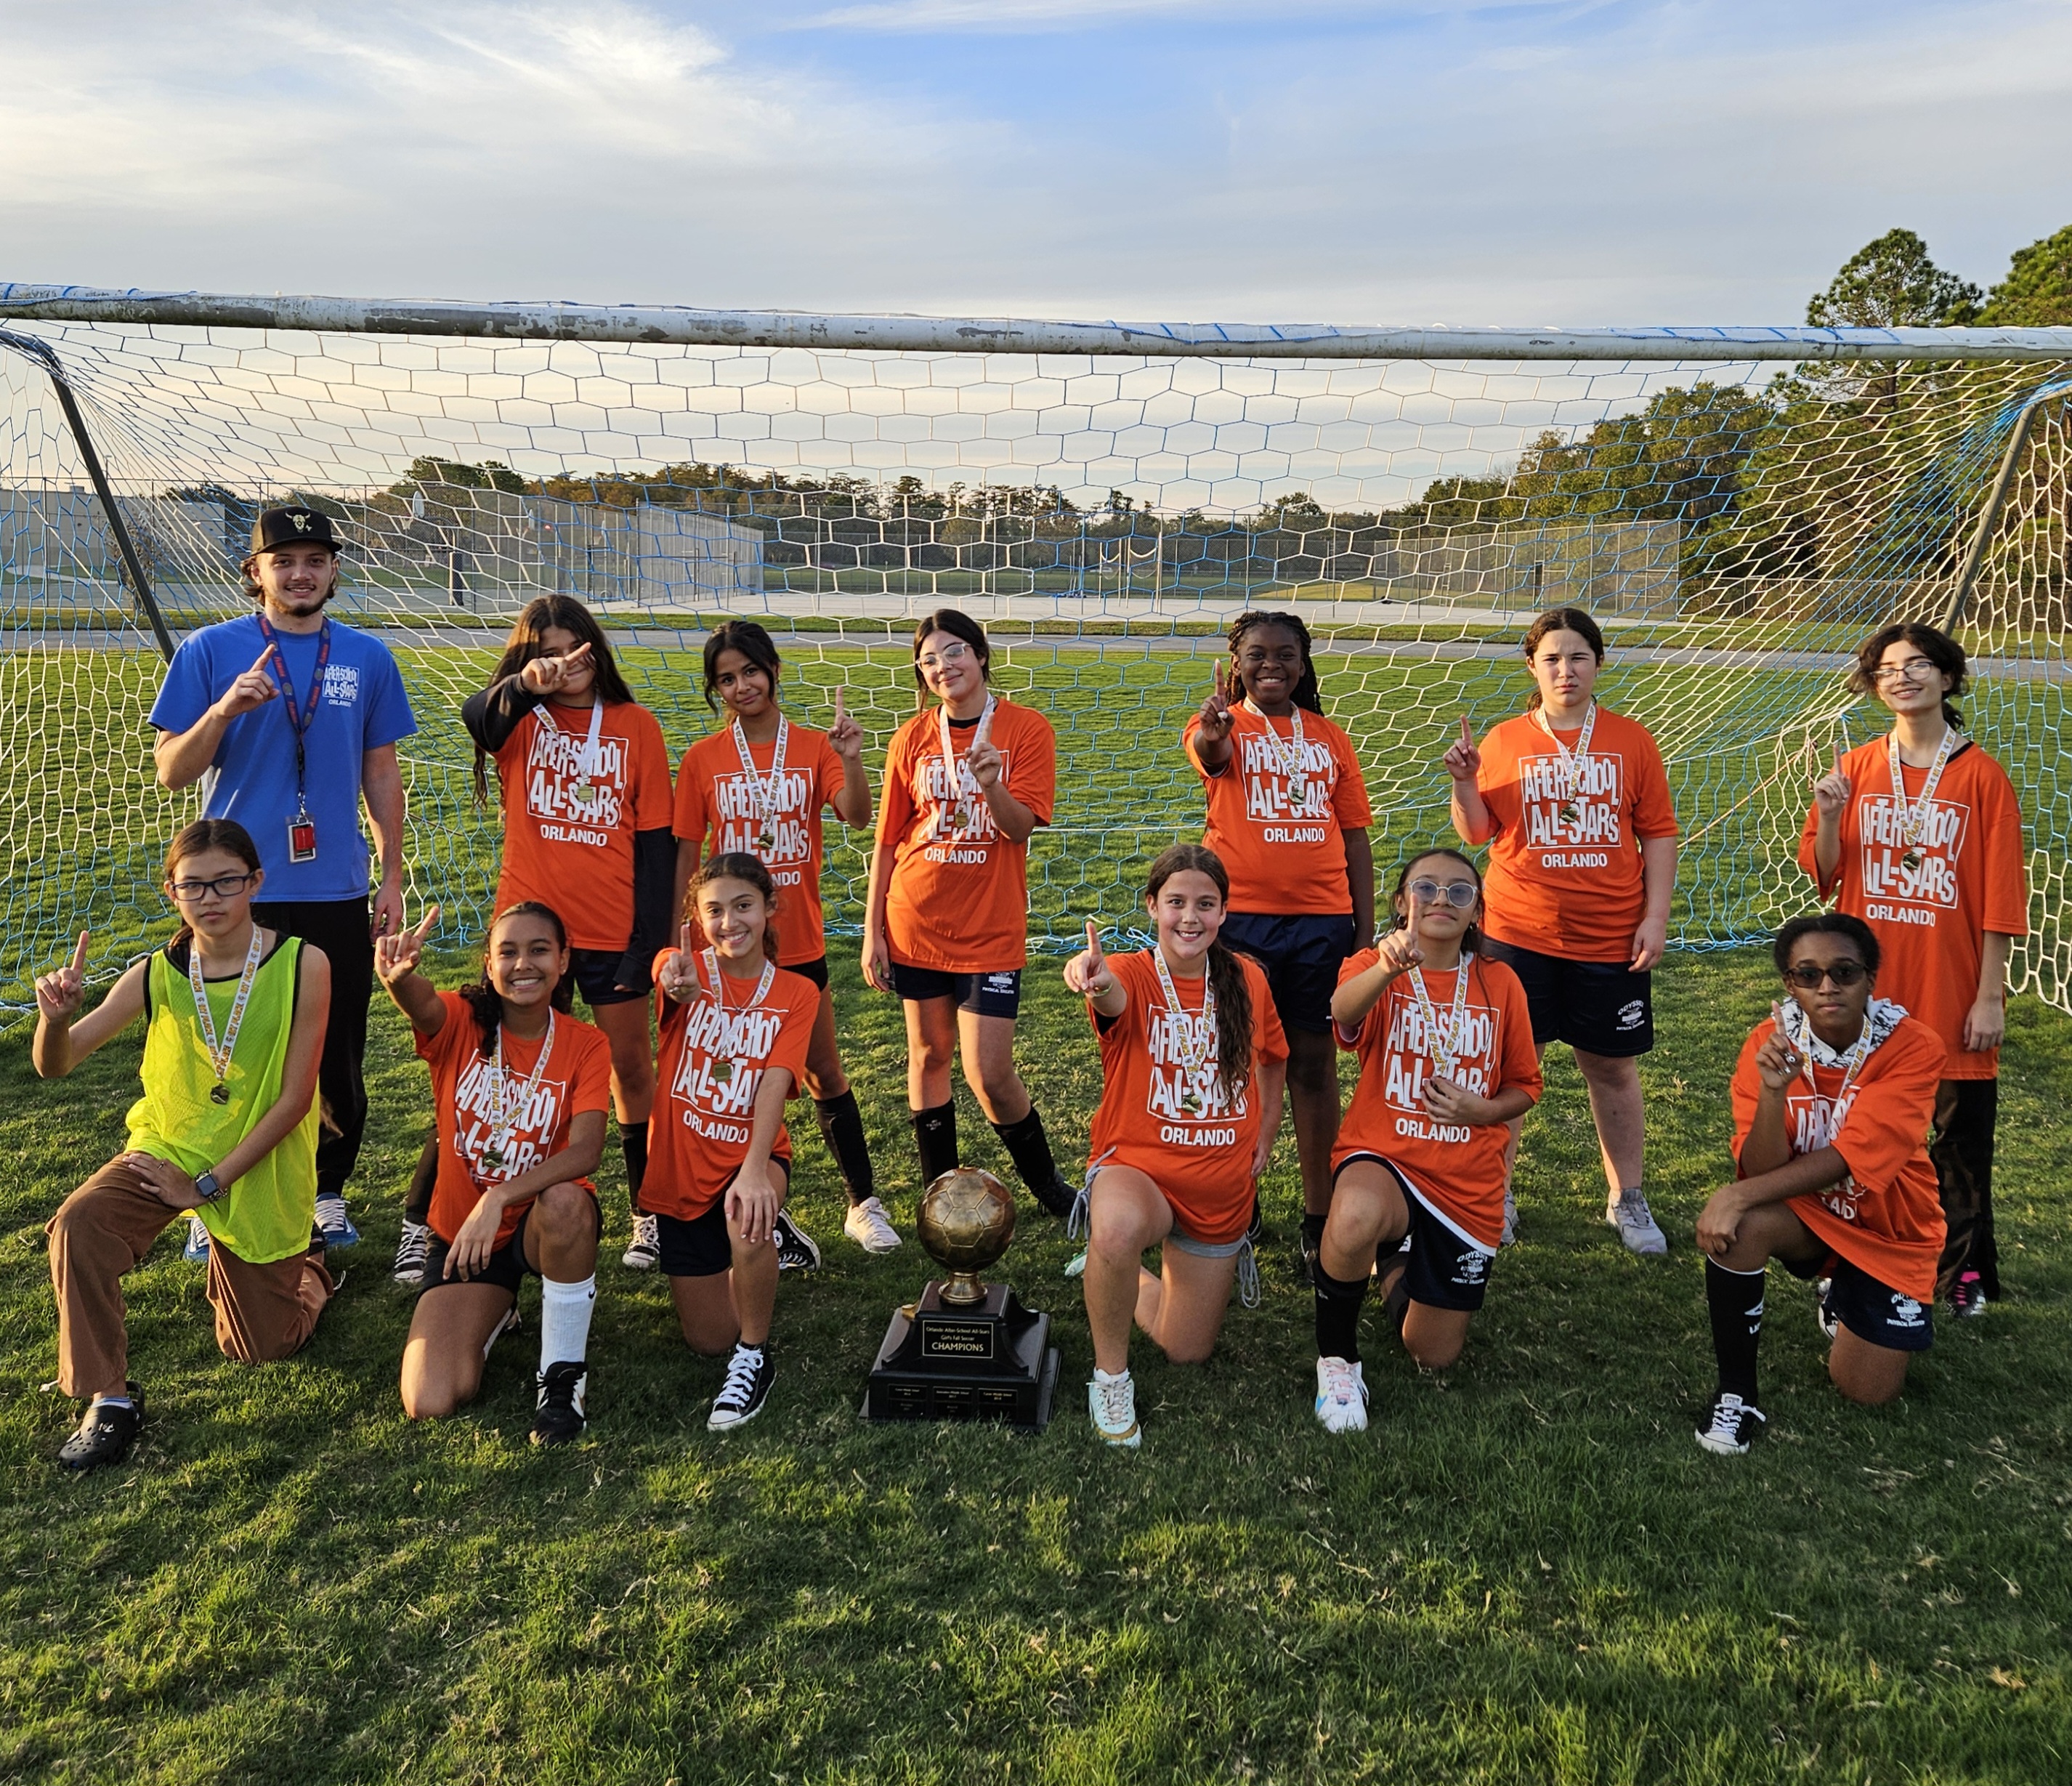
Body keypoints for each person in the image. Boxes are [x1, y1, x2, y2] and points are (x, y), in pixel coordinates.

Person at [150, 505, 415, 1254]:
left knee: (337, 1053)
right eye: (283, 559)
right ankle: (216, 1196)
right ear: (255, 571)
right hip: (232, 895)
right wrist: (224, 709)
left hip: (334, 888)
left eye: (314, 559)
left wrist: (391, 873)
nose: (299, 573)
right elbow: (173, 771)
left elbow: (380, 771)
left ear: (335, 570)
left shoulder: (367, 657)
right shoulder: (211, 651)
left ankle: (326, 1193)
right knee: (228, 1054)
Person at [384, 598, 672, 1287]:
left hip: (612, 932)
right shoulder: (520, 719)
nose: (567, 662)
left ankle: (647, 1213)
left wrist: (648, 945)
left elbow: (658, 847)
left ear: (597, 649)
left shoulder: (637, 727)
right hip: (530, 936)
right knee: (484, 1075)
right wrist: (526, 684)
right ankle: (422, 1223)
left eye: (578, 648)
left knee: (630, 1071)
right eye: (549, 650)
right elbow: (474, 717)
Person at [33, 820, 336, 1471]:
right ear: (171, 892)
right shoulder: (155, 973)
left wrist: (204, 1189)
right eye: (192, 885)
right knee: (79, 1225)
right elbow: (56, 1065)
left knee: (260, 1348)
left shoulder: (303, 964)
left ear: (256, 882)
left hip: (257, 1156)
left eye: (226, 881)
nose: (211, 897)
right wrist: (53, 1023)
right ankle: (109, 1400)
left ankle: (308, 1269)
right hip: (168, 1146)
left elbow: (292, 1102)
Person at [1802, 622, 2027, 1318]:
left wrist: (1989, 997)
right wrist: (1831, 815)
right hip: (1871, 991)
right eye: (1889, 668)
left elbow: (2000, 900)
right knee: (1866, 1138)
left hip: (1950, 986)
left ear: (1949, 679)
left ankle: (1963, 1272)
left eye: (1919, 665)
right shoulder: (1858, 766)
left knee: (1956, 1144)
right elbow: (1826, 877)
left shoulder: (1982, 776)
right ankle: (1859, 1262)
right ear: (1875, 686)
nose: (1903, 676)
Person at [1444, 605, 1678, 1255]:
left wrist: (1654, 917)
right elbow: (1477, 833)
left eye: (1578, 656)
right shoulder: (1503, 740)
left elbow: (1657, 832)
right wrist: (1465, 783)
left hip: (1610, 936)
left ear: (1598, 663)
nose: (1566, 669)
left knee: (1611, 1068)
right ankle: (1497, 1192)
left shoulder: (1632, 740)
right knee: (1513, 1067)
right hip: (1518, 932)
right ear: (1532, 666)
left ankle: (1627, 1199)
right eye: (1552, 658)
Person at [671, 620, 887, 1256]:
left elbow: (856, 815)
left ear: (773, 670)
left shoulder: (814, 746)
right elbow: (687, 858)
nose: (741, 686)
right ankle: (745, 1205)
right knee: (731, 1077)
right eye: (726, 679)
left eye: (750, 672)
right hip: (728, 950)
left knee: (822, 1070)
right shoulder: (703, 758)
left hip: (799, 944)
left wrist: (849, 757)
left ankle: (862, 1204)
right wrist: (680, 942)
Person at [1693, 914, 1947, 1454]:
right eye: (1807, 975)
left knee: (1866, 1392)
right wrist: (1772, 1093)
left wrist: (1734, 1194)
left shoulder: (1913, 1047)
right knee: (1745, 1230)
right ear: (1790, 983)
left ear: (1871, 977)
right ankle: (1736, 1393)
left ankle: (1848, 1295)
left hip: (1891, 1227)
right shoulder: (1768, 1042)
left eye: (1844, 972)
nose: (1827, 987)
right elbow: (1762, 1173)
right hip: (1811, 1217)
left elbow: (1852, 1158)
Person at [1064, 845, 1287, 1447]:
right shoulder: (1134, 974)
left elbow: (1273, 1059)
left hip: (1218, 1190)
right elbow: (1109, 997)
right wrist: (1096, 979)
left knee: (1185, 1349)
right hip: (1142, 1169)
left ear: (1224, 912)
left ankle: (1119, 1275)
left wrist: (1265, 1134)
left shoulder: (1249, 979)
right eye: (1177, 903)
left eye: (1206, 905)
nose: (1191, 918)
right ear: (1152, 907)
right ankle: (1110, 1378)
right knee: (1115, 1228)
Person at [1311, 849, 1541, 1434]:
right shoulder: (1372, 963)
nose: (1441, 899)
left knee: (1432, 1355)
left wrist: (1483, 1109)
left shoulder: (1501, 982)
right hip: (1385, 1154)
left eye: (1459, 892)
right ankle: (1337, 1359)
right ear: (1401, 902)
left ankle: (1398, 1258)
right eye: (1426, 887)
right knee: (1356, 1212)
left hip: (1465, 1178)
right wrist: (1387, 969)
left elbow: (1524, 1086)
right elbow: (1340, 1012)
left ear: (1476, 914)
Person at [376, 900, 612, 1445]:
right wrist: (399, 979)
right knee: (429, 1399)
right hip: (465, 1239)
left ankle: (561, 1381)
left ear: (562, 960)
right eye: (508, 951)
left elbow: (586, 1153)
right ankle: (498, 1310)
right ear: (488, 962)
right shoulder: (463, 1020)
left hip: (536, 1226)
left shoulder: (585, 1043)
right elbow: (423, 1006)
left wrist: (499, 1197)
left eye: (539, 950)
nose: (523, 964)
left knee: (566, 1201)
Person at [862, 610, 1073, 1216]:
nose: (942, 667)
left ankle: (1052, 1191)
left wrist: (991, 785)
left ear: (981, 655)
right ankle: (943, 1200)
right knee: (927, 1056)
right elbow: (885, 840)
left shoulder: (1027, 729)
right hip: (915, 919)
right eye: (928, 659)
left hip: (989, 928)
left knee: (990, 1074)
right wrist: (873, 931)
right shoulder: (911, 738)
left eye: (953, 652)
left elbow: (1018, 829)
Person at [1183, 610, 1374, 1280]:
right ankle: (1240, 1200)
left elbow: (1354, 837)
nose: (1272, 665)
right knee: (1240, 1061)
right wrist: (1213, 733)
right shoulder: (1222, 727)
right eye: (1257, 654)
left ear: (1303, 662)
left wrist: (1364, 929)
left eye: (1285, 654)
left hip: (1322, 923)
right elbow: (1212, 756)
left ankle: (1318, 1218)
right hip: (1243, 925)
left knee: (1314, 1067)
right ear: (1237, 663)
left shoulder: (1330, 737)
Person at [644, 855, 821, 1430]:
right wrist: (676, 975)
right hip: (681, 1170)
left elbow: (775, 1080)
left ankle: (755, 1357)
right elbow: (667, 970)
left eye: (743, 906)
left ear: (770, 909)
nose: (729, 922)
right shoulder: (684, 971)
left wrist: (753, 1169)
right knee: (707, 1339)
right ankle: (768, 1248)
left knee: (747, 1215)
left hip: (753, 1155)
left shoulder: (796, 993)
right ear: (696, 919)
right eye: (713, 911)